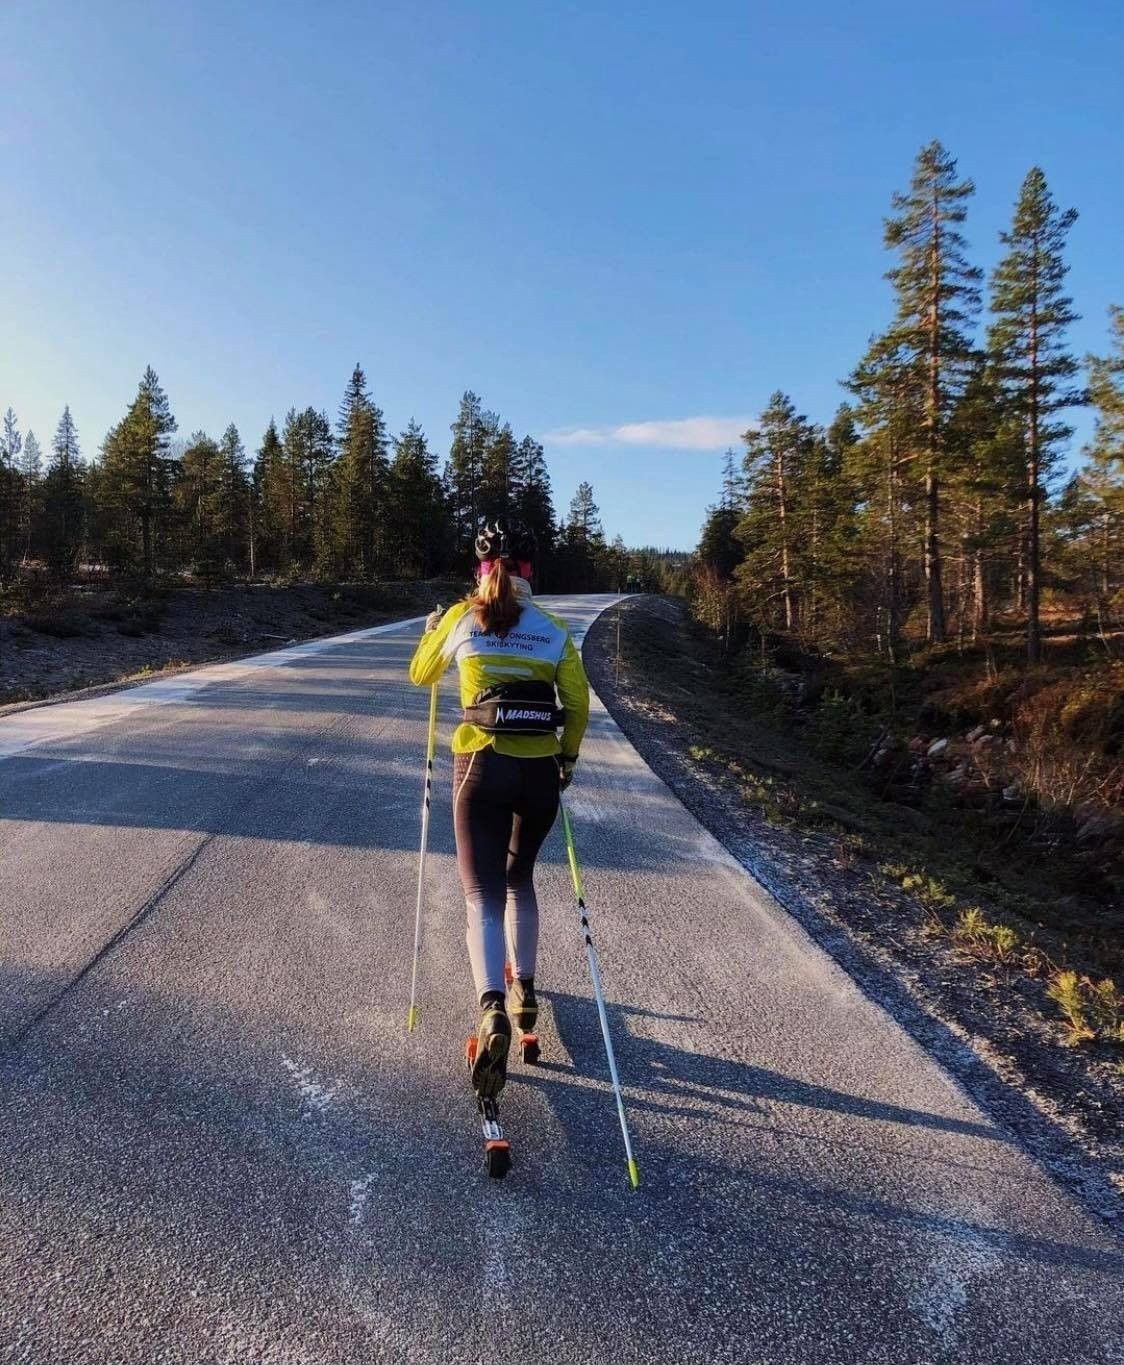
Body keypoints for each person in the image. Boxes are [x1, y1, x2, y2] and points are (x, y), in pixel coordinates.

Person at [409, 517, 590, 1099]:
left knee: (480, 893)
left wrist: (432, 629)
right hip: (537, 771)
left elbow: (421, 675)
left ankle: (490, 1008)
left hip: (479, 768)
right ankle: (526, 992)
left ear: (480, 569)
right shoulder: (554, 629)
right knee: (520, 880)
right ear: (532, 571)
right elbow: (579, 704)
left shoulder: (464, 618)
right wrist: (565, 760)